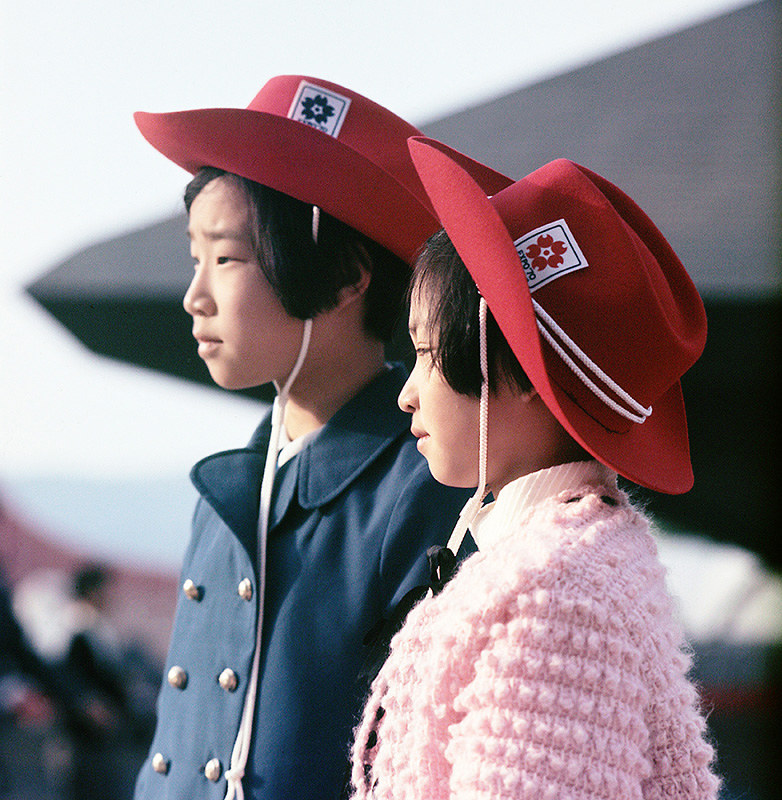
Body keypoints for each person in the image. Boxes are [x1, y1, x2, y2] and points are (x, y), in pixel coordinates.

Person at [132, 77, 510, 800]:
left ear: (343, 279)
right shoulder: (233, 483)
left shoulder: (427, 484)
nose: (195, 296)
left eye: (227, 258)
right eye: (194, 258)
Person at [350, 137, 722, 799]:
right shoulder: (575, 559)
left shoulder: (553, 593)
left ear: (520, 369)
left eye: (428, 353)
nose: (406, 392)